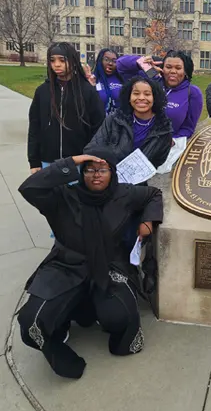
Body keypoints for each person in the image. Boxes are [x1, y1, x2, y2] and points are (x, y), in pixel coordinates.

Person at [17, 149, 163, 379]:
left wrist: (148, 221)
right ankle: (60, 330)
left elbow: (153, 194)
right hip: (66, 266)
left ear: (112, 173)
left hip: (109, 265)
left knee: (121, 316)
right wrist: (71, 161)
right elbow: (30, 187)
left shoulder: (123, 194)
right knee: (31, 322)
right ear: (81, 172)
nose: (96, 175)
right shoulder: (62, 197)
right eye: (90, 170)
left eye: (103, 170)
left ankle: (100, 315)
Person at [27, 42, 105, 173]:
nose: (56, 64)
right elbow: (35, 127)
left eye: (62, 60)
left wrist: (92, 156)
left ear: (73, 61)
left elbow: (99, 126)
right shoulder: (43, 91)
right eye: (52, 60)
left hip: (79, 161)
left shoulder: (87, 91)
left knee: (75, 194)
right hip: (48, 161)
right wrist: (34, 161)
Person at [85, 77, 172, 169]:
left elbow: (159, 160)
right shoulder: (115, 119)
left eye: (147, 94)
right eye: (136, 93)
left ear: (155, 98)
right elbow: (91, 149)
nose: (141, 98)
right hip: (108, 175)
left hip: (139, 180)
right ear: (128, 97)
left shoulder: (164, 129)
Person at [117, 50, 203, 139]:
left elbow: (188, 128)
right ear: (162, 68)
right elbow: (120, 65)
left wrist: (172, 142)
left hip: (166, 147)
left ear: (185, 71)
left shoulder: (192, 92)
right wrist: (142, 62)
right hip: (135, 141)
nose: (173, 71)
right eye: (168, 67)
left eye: (178, 68)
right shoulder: (152, 79)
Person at [91, 48, 125, 116]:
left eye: (114, 61)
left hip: (119, 123)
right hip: (99, 124)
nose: (110, 63)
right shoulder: (92, 79)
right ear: (100, 61)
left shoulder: (122, 79)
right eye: (106, 60)